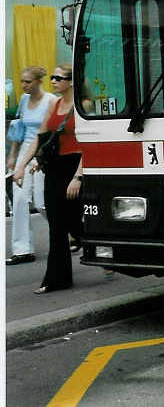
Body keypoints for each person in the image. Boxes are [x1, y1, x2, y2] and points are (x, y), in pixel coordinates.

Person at [12, 64, 84, 293]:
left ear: (71, 81)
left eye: (58, 78)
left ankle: (93, 244)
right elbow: (39, 138)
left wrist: (78, 177)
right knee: (56, 225)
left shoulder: (84, 106)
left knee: (73, 221)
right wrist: (22, 164)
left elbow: (89, 146)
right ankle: (56, 280)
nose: (53, 81)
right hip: (54, 168)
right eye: (52, 77)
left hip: (73, 167)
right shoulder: (54, 105)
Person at [5, 66, 57, 265]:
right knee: (18, 199)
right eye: (21, 81)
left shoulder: (50, 101)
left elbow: (52, 133)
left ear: (38, 82)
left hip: (44, 152)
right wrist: (12, 156)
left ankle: (72, 230)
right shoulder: (24, 100)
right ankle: (22, 249)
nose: (23, 85)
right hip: (25, 151)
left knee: (42, 202)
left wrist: (40, 157)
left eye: (27, 81)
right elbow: (19, 127)